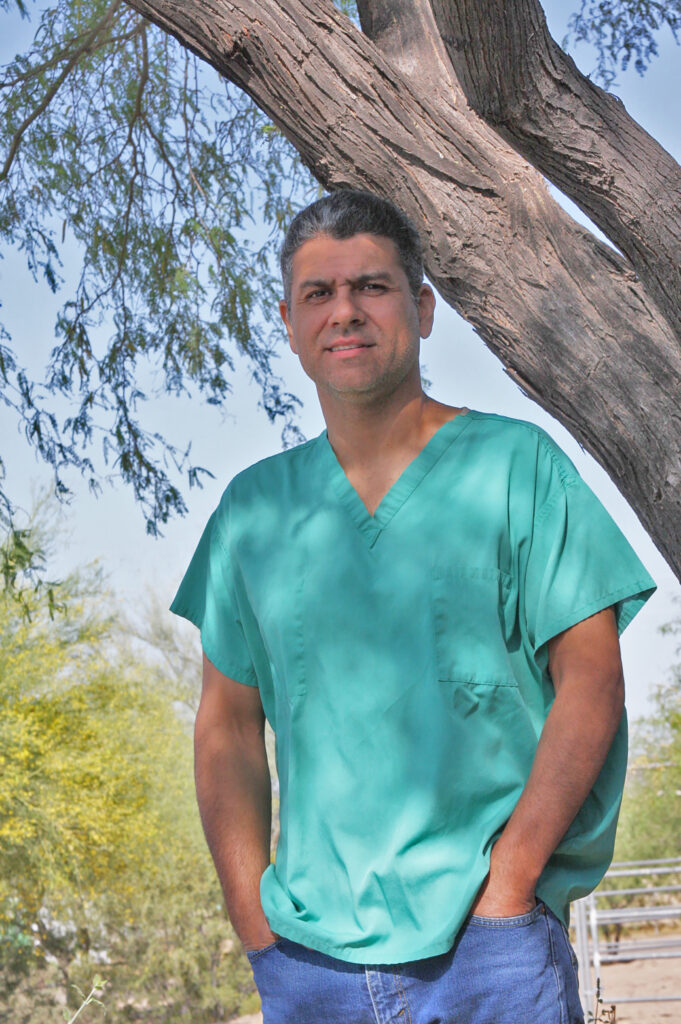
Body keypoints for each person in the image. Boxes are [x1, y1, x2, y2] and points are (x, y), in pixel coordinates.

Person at [170, 190, 656, 1024]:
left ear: (422, 309)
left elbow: (590, 679)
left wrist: (510, 881)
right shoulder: (252, 513)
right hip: (309, 961)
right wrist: (252, 920)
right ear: (289, 322)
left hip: (490, 950)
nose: (345, 312)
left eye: (373, 286)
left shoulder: (516, 467)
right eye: (319, 294)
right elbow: (225, 725)